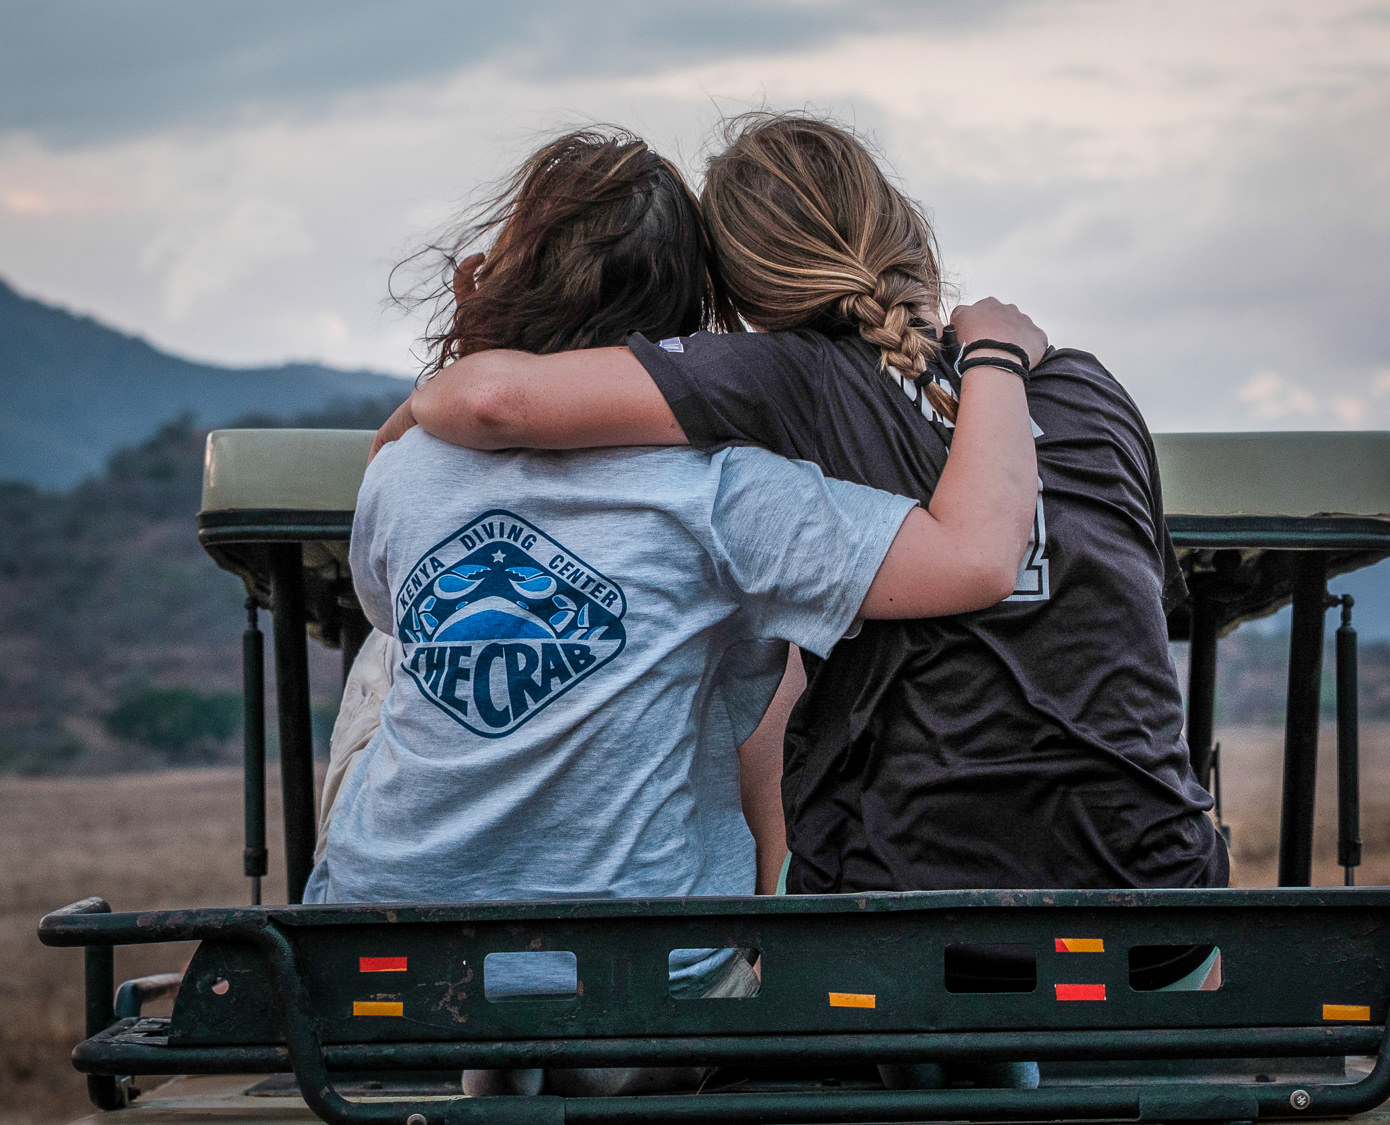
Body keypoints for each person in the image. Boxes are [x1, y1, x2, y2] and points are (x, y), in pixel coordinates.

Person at [309, 128, 1040, 1096]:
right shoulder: (724, 488)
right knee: (775, 642)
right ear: (692, 315)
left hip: (375, 958)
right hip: (654, 982)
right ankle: (772, 919)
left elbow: (387, 605)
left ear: (506, 277)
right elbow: (969, 561)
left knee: (391, 649)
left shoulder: (409, 463)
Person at [373, 112, 1230, 905]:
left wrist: (411, 423)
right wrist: (996, 357)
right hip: (1167, 911)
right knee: (777, 599)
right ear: (906, 228)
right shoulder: (1087, 386)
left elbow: (493, 400)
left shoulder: (784, 378)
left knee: (771, 624)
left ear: (745, 298)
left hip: (906, 924)